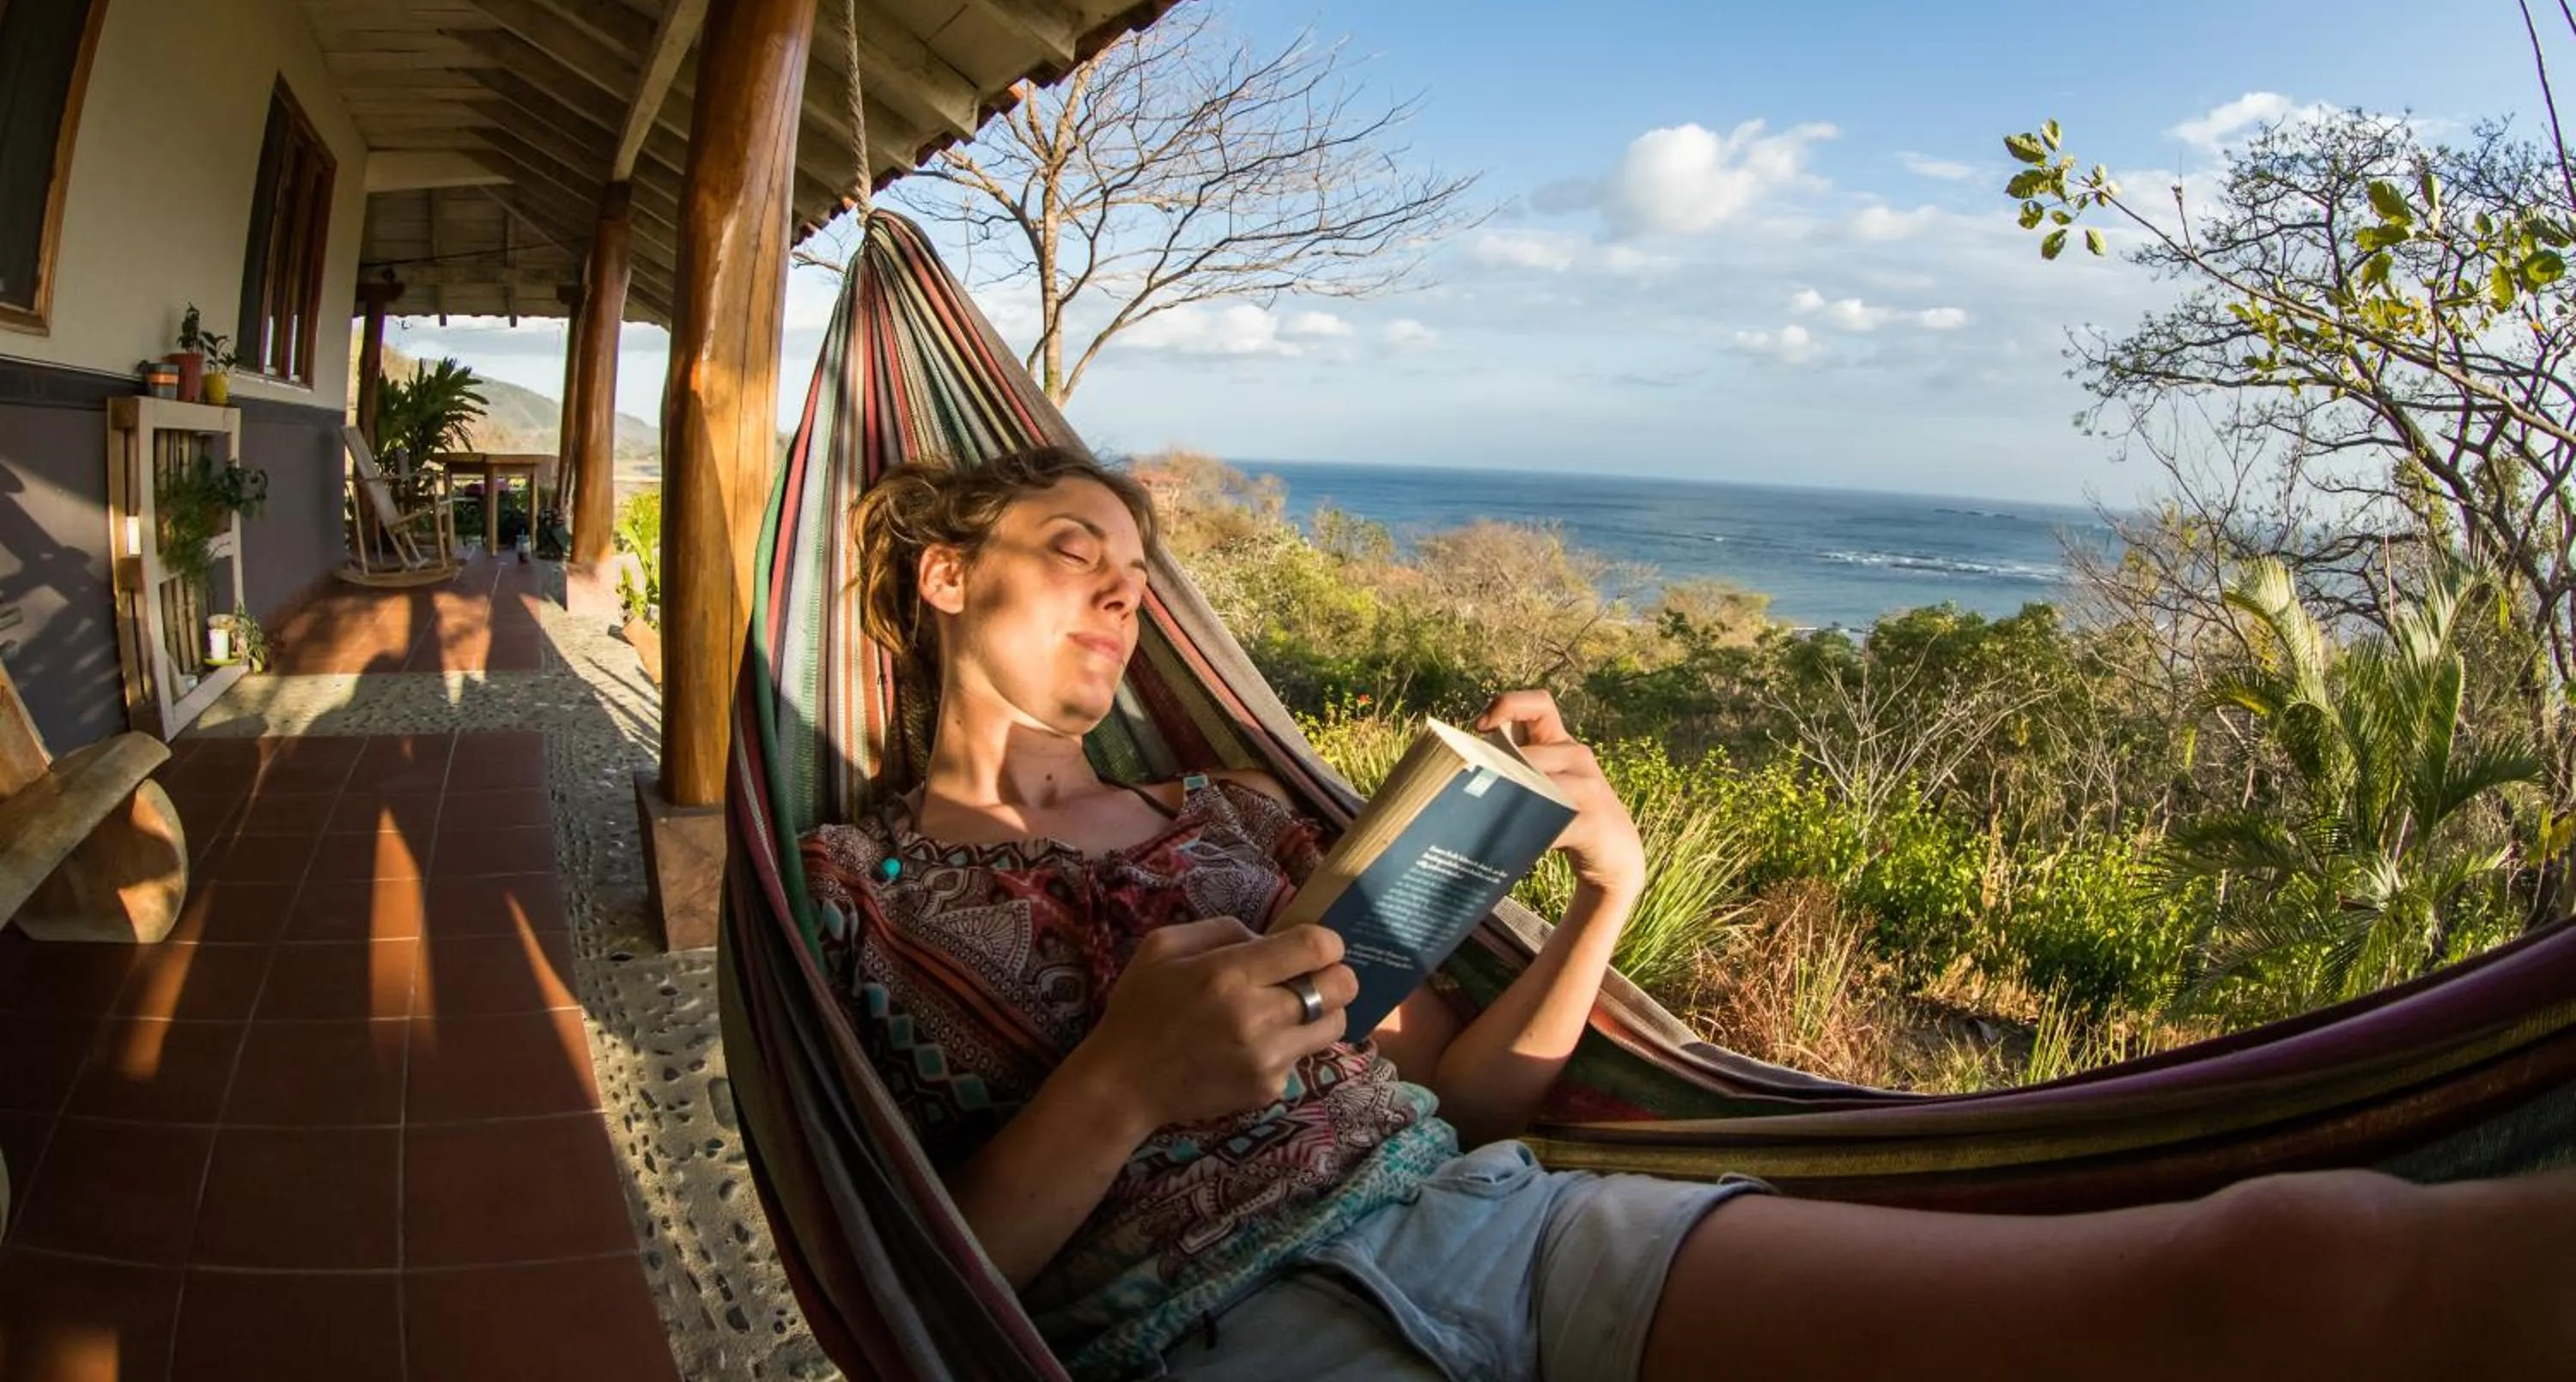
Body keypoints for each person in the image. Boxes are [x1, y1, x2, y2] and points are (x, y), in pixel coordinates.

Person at [800, 447, 2575, 1382]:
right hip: (1210, 1340)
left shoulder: (1235, 811)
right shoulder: (846, 894)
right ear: (948, 575)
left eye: (1137, 577)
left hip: (1499, 1228)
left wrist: (1603, 904)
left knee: (2278, 1269)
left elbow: (1460, 1090)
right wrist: (1117, 1085)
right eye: (1071, 554)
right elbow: (900, 1279)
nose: (1119, 599)